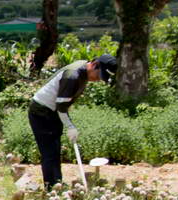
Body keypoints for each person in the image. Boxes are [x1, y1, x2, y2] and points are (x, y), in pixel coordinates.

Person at [28, 54, 117, 188]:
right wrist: (70, 126)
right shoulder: (72, 76)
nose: (98, 80)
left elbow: (63, 105)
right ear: (94, 65)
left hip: (53, 111)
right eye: (99, 75)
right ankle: (52, 187)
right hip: (41, 111)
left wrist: (68, 124)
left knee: (55, 150)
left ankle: (56, 184)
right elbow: (61, 107)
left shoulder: (83, 69)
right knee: (50, 152)